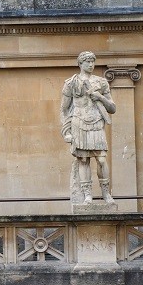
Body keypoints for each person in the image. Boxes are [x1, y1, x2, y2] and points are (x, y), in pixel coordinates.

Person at [61, 51, 117, 204]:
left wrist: (100, 97)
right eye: (87, 62)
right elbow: (65, 109)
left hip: (97, 123)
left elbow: (112, 108)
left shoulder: (101, 82)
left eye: (93, 62)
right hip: (79, 123)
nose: (91, 64)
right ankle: (87, 195)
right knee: (83, 160)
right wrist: (66, 131)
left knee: (101, 159)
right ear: (80, 63)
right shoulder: (71, 83)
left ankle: (106, 194)